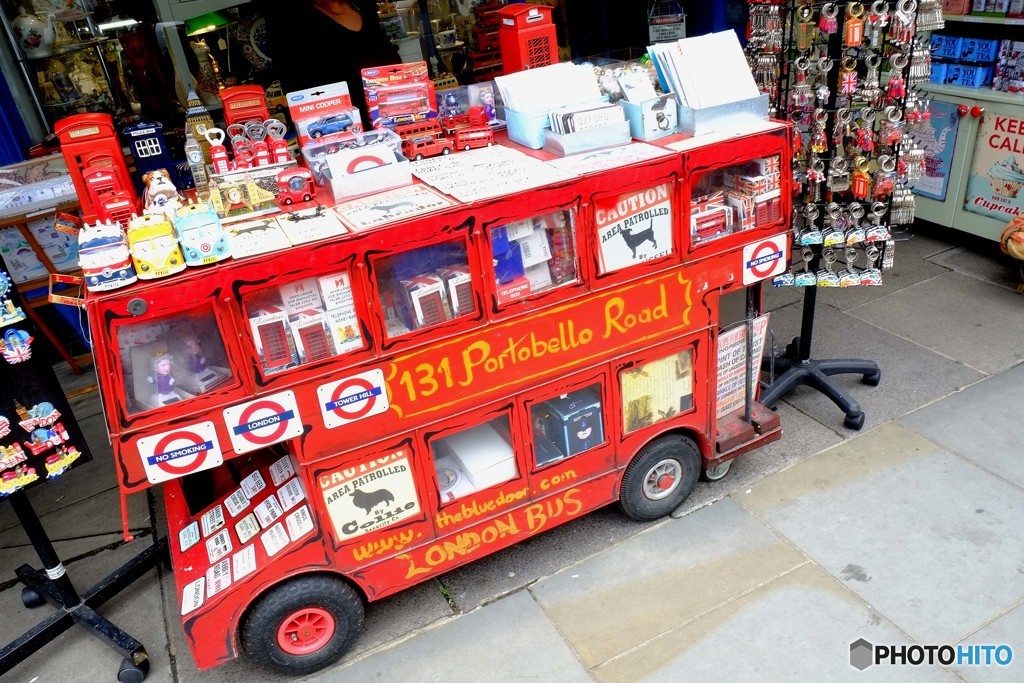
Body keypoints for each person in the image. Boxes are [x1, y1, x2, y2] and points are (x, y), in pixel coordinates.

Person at [261, 0, 400, 123]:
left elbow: (394, 69)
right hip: (343, 139)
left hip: (398, 124)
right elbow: (301, 98)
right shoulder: (286, 22)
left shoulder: (364, 7)